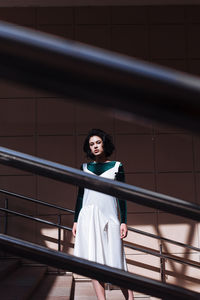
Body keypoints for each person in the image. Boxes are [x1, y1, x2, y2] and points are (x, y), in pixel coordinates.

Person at [72, 128, 134, 300]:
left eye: (98, 142)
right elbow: (80, 195)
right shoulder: (84, 168)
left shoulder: (116, 166)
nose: (95, 146)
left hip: (111, 218)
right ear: (89, 148)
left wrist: (124, 221)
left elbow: (122, 196)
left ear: (104, 144)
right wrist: (76, 221)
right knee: (94, 262)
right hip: (88, 218)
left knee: (117, 263)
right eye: (92, 144)